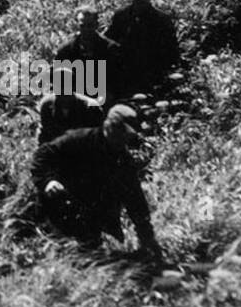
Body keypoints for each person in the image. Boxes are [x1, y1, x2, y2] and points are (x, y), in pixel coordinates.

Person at [27, 104, 164, 263]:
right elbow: (42, 157)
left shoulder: (123, 160)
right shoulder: (79, 140)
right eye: (121, 133)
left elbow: (135, 200)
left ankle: (90, 246)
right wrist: (48, 181)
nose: (124, 140)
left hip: (93, 212)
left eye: (128, 136)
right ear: (110, 127)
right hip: (62, 206)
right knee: (61, 253)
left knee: (97, 255)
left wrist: (147, 237)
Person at [104, 0, 179, 101]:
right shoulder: (121, 15)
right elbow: (108, 39)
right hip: (124, 71)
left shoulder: (162, 19)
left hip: (152, 72)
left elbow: (171, 50)